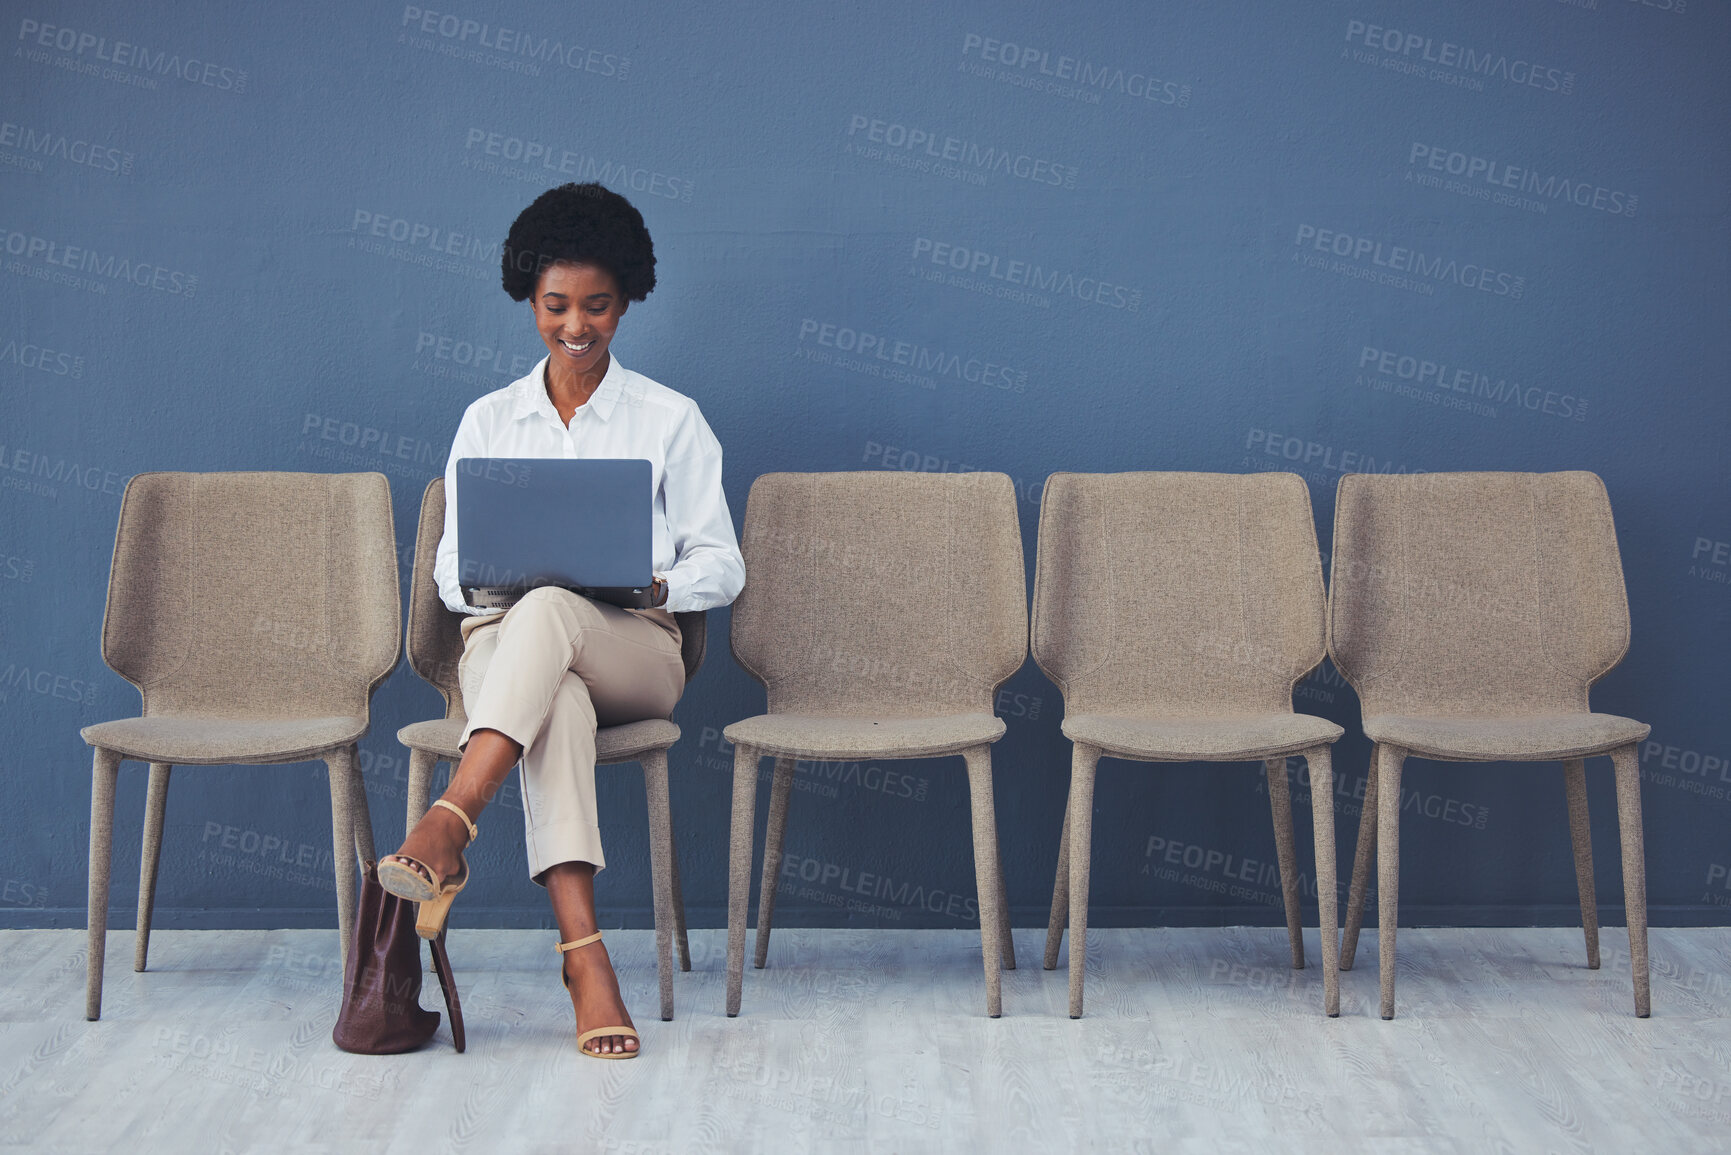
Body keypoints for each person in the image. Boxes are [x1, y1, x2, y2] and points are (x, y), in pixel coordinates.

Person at [379, 182, 744, 1058]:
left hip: (635, 651)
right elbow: (446, 570)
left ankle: (453, 815)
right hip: (509, 651)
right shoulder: (489, 419)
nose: (575, 324)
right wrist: (500, 583)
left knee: (557, 617)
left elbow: (722, 566)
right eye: (555, 305)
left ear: (626, 301)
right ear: (528, 299)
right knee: (555, 692)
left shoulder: (670, 419)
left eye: (597, 305)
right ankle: (587, 959)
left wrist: (651, 588)